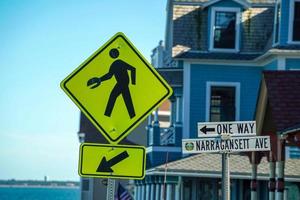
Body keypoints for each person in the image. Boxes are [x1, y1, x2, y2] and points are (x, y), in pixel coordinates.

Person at [87, 48, 136, 119]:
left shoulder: (119, 62)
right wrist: (99, 79)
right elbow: (109, 75)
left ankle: (107, 115)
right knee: (126, 100)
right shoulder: (113, 64)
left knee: (114, 97)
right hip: (121, 83)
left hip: (123, 83)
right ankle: (132, 116)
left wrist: (133, 83)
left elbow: (133, 69)